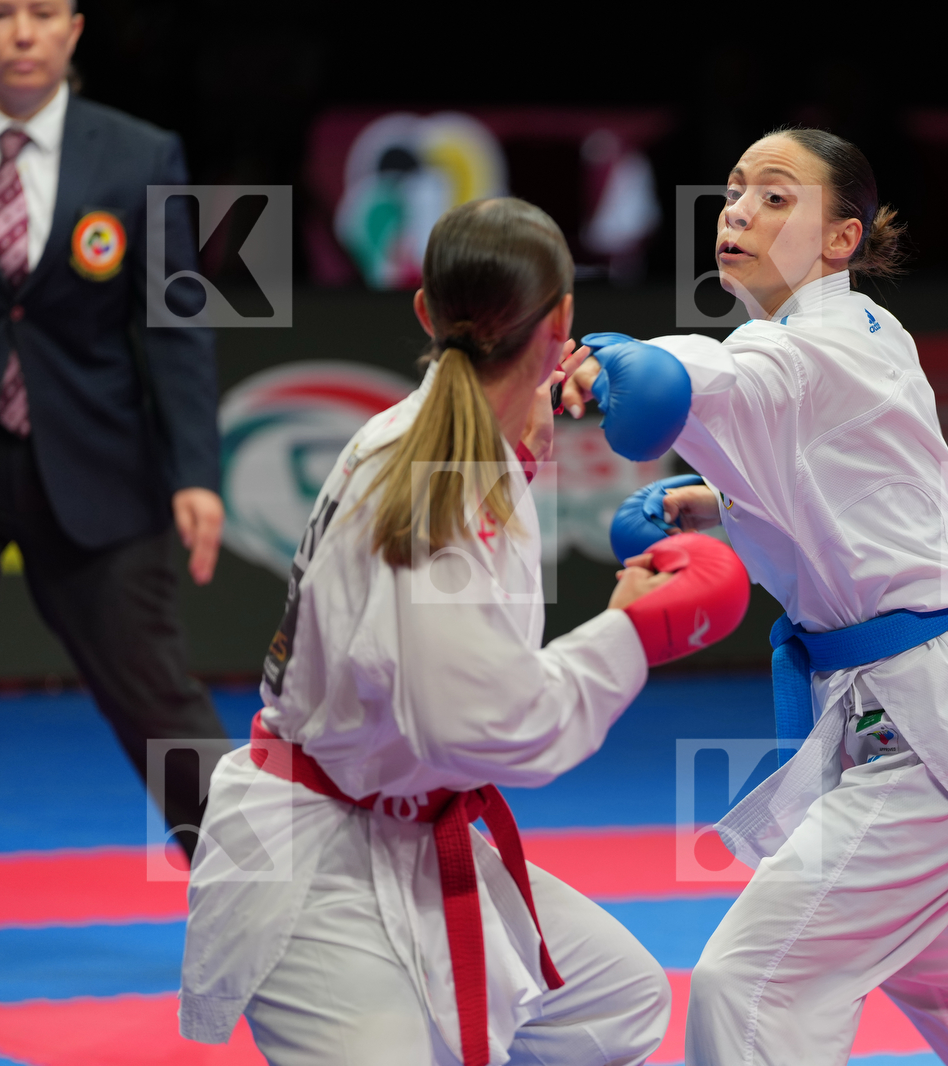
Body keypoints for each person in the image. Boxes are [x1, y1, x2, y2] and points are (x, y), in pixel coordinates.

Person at [180, 197, 752, 1066]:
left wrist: (523, 446)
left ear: (424, 312)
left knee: (617, 1004)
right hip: (311, 867)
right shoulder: (439, 481)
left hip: (400, 828)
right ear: (562, 321)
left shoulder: (441, 441)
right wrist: (633, 632)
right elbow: (486, 729)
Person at [563, 129, 948, 1065]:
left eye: (775, 196)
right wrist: (708, 503)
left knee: (753, 983)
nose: (738, 210)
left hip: (931, 728)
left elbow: (710, 380)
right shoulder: (853, 339)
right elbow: (848, 486)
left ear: (841, 238)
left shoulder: (816, 347)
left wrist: (625, 356)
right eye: (732, 192)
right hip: (920, 708)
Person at [0, 0, 227, 857]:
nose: (22, 32)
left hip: (97, 461)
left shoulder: (142, 153)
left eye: (43, 12)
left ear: (74, 28)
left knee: (157, 700)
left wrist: (195, 471)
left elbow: (177, 323)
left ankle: (271, 908)